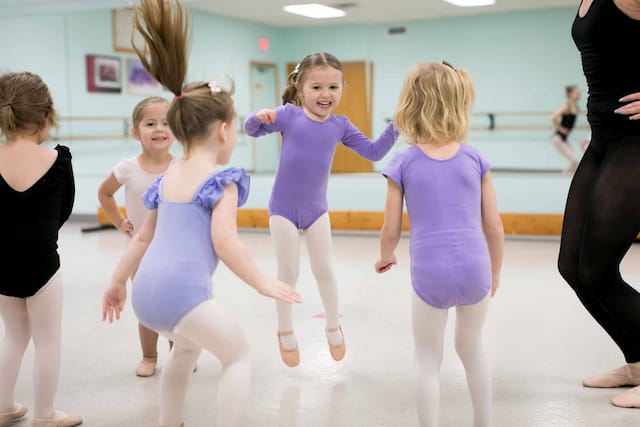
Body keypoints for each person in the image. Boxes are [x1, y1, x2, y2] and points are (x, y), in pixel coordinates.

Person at [102, 1, 301, 426]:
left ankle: (168, 421)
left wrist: (118, 281)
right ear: (224, 130)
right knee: (239, 356)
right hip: (182, 295)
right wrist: (264, 282)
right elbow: (224, 242)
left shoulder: (167, 175)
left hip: (146, 298)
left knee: (188, 348)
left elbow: (141, 238)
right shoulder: (221, 179)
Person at [244, 52, 398, 367]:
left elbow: (374, 150)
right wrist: (258, 116)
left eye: (333, 87)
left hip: (317, 211)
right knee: (288, 273)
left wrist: (397, 124)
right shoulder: (288, 115)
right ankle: (285, 331)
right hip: (283, 210)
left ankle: (333, 325)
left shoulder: (340, 125)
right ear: (300, 88)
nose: (325, 94)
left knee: (324, 271)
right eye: (316, 87)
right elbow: (252, 130)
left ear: (341, 89)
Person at [375, 62, 504, 427]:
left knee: (427, 357)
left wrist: (386, 256)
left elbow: (391, 227)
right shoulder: (476, 159)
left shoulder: (401, 161)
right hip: (475, 267)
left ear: (409, 106)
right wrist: (494, 271)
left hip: (431, 273)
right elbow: (494, 226)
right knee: (473, 349)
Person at [557, 0, 640, 409]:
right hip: (602, 139)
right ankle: (638, 362)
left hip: (636, 143)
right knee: (572, 267)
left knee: (598, 269)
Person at [0, 72, 82, 426]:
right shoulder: (57, 159)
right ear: (45, 117)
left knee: (14, 335)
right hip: (43, 263)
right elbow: (64, 209)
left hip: (1, 262)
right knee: (48, 341)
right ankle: (45, 414)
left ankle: (3, 407)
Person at [98, 96, 176, 377]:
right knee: (147, 305)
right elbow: (105, 193)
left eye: (167, 123)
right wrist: (119, 221)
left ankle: (177, 354)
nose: (159, 129)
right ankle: (149, 355)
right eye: (150, 123)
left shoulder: (181, 166)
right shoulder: (127, 168)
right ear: (135, 132)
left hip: (174, 250)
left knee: (174, 304)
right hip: (139, 252)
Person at [550, 85, 581, 173]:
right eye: (577, 93)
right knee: (574, 161)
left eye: (579, 93)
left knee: (576, 163)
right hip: (558, 139)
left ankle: (568, 177)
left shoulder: (576, 107)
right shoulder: (566, 106)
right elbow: (553, 117)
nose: (579, 95)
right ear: (570, 94)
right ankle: (563, 176)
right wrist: (560, 128)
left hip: (564, 139)